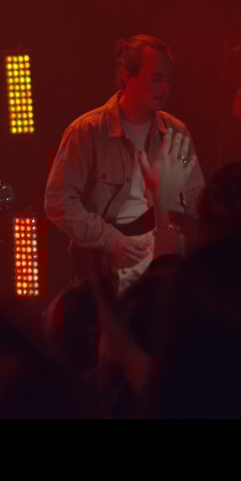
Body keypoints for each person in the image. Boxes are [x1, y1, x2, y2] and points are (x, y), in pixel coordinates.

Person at [45, 34, 204, 292]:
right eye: (156, 79)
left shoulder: (177, 132)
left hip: (163, 273)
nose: (166, 89)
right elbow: (58, 202)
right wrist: (111, 241)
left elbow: (196, 196)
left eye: (169, 80)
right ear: (128, 77)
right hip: (105, 274)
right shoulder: (86, 131)